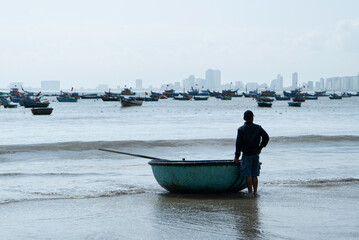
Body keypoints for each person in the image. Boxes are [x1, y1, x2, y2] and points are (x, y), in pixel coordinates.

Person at [234, 110, 269, 197]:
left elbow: (238, 144)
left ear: (244, 118)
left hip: (246, 154)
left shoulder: (241, 129)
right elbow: (266, 137)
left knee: (248, 174)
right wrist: (261, 147)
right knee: (254, 174)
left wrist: (236, 156)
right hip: (255, 154)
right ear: (252, 118)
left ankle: (250, 193)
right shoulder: (258, 127)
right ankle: (255, 192)